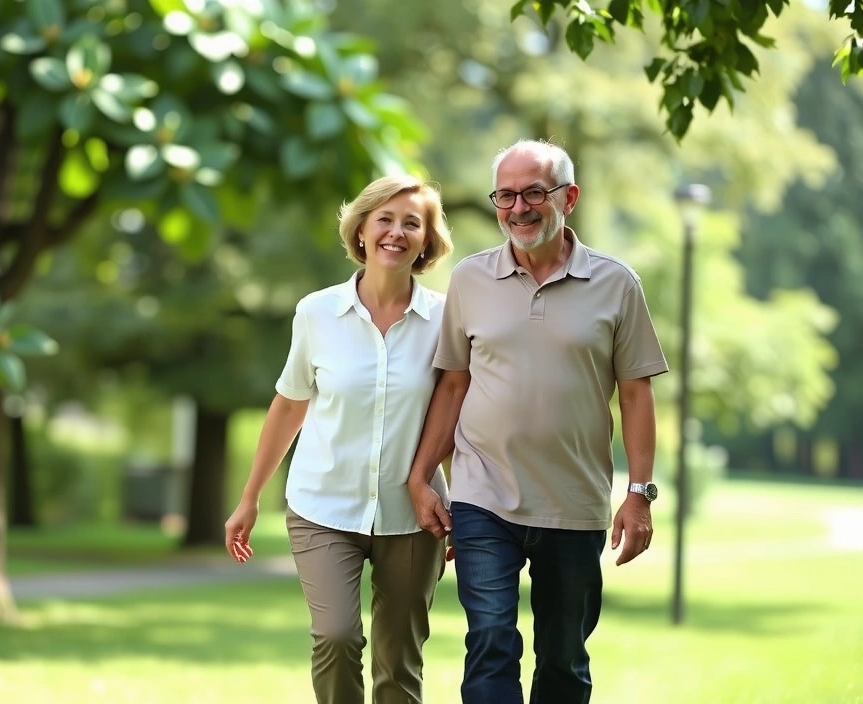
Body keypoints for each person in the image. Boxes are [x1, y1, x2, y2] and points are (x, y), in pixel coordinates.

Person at [406, 139, 669, 704]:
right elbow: (453, 384)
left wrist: (640, 493)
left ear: (568, 197)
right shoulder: (471, 280)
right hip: (483, 498)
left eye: (533, 193)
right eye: (505, 195)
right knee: (491, 641)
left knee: (564, 657)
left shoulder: (617, 284)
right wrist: (422, 475)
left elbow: (636, 393)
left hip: (573, 503)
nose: (518, 208)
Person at [224, 174, 455, 704]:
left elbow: (456, 418)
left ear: (427, 241)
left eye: (412, 223)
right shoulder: (316, 313)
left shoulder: (446, 319)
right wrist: (249, 498)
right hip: (322, 505)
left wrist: (463, 505)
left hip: (413, 515)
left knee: (399, 659)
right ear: (362, 229)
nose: (396, 233)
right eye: (385, 219)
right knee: (336, 636)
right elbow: (289, 405)